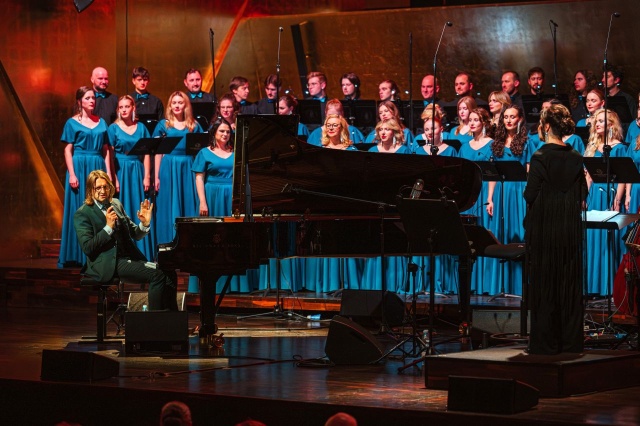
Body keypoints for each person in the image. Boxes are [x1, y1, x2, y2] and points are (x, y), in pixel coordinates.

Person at [524, 103, 587, 355]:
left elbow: (530, 196)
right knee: (568, 285)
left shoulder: (540, 157)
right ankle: (570, 343)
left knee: (546, 284)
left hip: (545, 231)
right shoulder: (575, 156)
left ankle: (545, 344)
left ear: (547, 126)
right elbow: (583, 192)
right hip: (569, 231)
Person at [74, 170, 177, 311]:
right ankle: (156, 324)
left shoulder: (115, 204)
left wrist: (144, 224)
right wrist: (108, 228)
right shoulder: (83, 213)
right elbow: (88, 247)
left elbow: (134, 233)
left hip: (127, 258)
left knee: (169, 272)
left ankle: (172, 321)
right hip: (107, 263)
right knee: (157, 275)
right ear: (91, 189)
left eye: (106, 187)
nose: (103, 191)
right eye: (98, 188)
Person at [58, 86, 112, 268]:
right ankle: (77, 254)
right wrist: (72, 173)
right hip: (79, 167)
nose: (92, 101)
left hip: (97, 166)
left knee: (99, 210)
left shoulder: (102, 122)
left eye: (93, 98)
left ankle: (99, 254)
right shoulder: (71, 123)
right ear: (79, 101)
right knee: (80, 210)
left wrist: (109, 175)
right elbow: (67, 150)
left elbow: (106, 151)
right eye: (88, 98)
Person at [488, 104, 530, 296]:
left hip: (518, 191)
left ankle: (519, 286)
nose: (508, 120)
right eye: (506, 117)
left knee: (518, 234)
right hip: (501, 192)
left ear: (520, 119)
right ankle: (500, 286)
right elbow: (494, 175)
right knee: (501, 236)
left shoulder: (527, 142)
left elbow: (529, 171)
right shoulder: (497, 142)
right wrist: (490, 198)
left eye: (512, 117)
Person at [583, 109, 626, 296]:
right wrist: (583, 197)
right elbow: (588, 176)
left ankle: (608, 287)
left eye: (602, 121)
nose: (597, 124)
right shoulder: (593, 147)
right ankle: (593, 286)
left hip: (611, 193)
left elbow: (624, 177)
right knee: (593, 238)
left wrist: (618, 199)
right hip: (594, 195)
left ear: (611, 124)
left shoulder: (619, 147)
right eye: (596, 121)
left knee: (609, 240)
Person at [107, 95, 154, 261]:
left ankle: (142, 252)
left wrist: (147, 176)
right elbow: (110, 155)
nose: (124, 109)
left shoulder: (141, 128)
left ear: (133, 108)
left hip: (137, 170)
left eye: (127, 106)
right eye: (121, 107)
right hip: (120, 170)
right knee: (122, 209)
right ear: (118, 110)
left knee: (139, 207)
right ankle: (124, 252)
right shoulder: (113, 129)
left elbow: (147, 153)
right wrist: (114, 178)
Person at [458, 108, 495, 294]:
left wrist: (489, 199)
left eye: (476, 120)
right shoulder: (465, 147)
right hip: (468, 196)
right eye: (470, 120)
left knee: (483, 237)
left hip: (484, 193)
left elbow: (492, 174)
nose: (472, 123)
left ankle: (486, 284)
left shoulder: (491, 145)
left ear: (484, 123)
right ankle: (471, 285)